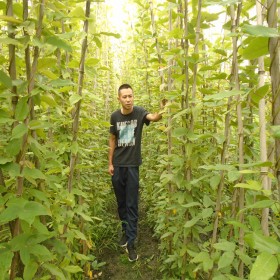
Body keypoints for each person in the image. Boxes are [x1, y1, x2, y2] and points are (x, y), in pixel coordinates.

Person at [108, 83, 165, 262]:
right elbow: (112, 140)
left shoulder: (139, 112)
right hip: (117, 166)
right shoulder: (114, 117)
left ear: (133, 96)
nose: (128, 99)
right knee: (121, 203)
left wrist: (164, 109)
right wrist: (110, 163)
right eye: (124, 96)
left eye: (130, 96)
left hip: (132, 166)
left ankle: (131, 242)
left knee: (132, 204)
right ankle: (125, 232)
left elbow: (154, 118)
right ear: (119, 98)